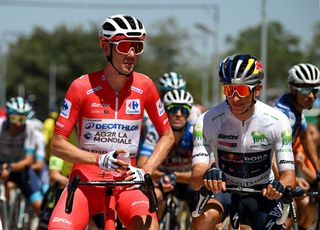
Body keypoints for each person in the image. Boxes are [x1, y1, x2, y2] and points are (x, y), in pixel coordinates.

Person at [48, 14, 174, 230]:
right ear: (106, 47)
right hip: (86, 183)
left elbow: (168, 135)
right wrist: (98, 160)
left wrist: (146, 170)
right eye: (125, 46)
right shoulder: (81, 87)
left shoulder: (145, 86)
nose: (132, 54)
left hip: (127, 185)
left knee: (150, 228)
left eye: (137, 46)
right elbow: (57, 144)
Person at [190, 54, 296, 230]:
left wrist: (279, 186)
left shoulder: (277, 121)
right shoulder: (207, 120)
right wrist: (209, 174)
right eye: (229, 90)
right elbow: (195, 179)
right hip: (223, 189)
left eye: (243, 90)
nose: (235, 98)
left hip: (262, 192)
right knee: (204, 219)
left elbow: (289, 177)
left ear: (258, 89)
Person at [138, 89, 197, 222]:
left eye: (184, 110)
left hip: (186, 181)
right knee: (153, 198)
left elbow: (200, 173)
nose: (178, 114)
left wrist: (175, 176)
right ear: (165, 112)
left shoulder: (195, 133)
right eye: (173, 109)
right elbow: (142, 165)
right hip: (161, 179)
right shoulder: (155, 131)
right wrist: (163, 177)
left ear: (189, 114)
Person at [274, 63, 320, 229]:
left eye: (315, 91)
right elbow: (272, 152)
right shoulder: (285, 115)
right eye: (305, 90)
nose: (311, 96)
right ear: (293, 89)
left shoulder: (297, 109)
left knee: (308, 206)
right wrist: (290, 178)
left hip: (281, 167)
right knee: (288, 214)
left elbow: (306, 138)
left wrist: (318, 170)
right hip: (268, 168)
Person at [0, 96, 43, 215]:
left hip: (21, 169)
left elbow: (28, 160)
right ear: (8, 116)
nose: (18, 124)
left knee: (39, 206)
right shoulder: (0, 126)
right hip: (1, 166)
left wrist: (10, 167)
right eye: (14, 118)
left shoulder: (29, 127)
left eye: (22, 119)